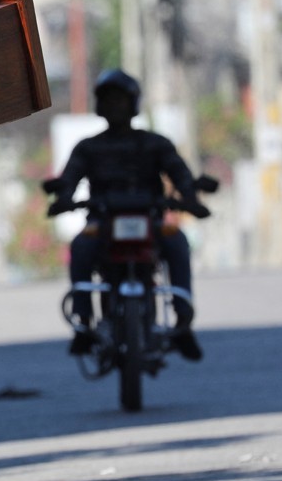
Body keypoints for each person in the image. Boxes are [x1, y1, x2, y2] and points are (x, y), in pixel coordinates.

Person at [46, 68, 209, 360]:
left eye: (121, 100)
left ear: (133, 103)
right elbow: (69, 179)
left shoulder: (156, 143)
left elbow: (180, 174)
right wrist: (64, 198)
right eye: (108, 100)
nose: (115, 106)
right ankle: (83, 324)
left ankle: (183, 322)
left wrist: (191, 198)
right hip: (102, 222)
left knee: (177, 242)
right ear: (99, 106)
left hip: (152, 220)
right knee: (81, 246)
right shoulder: (88, 148)